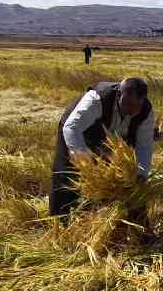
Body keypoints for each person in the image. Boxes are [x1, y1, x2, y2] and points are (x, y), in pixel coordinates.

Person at [51, 77, 156, 220]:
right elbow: (72, 128)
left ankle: (134, 226)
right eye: (128, 104)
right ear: (119, 94)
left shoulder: (146, 112)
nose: (131, 110)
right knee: (66, 176)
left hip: (112, 138)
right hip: (78, 130)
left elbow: (144, 146)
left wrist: (141, 174)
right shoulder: (97, 99)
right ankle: (60, 224)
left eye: (136, 105)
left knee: (127, 180)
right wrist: (83, 158)